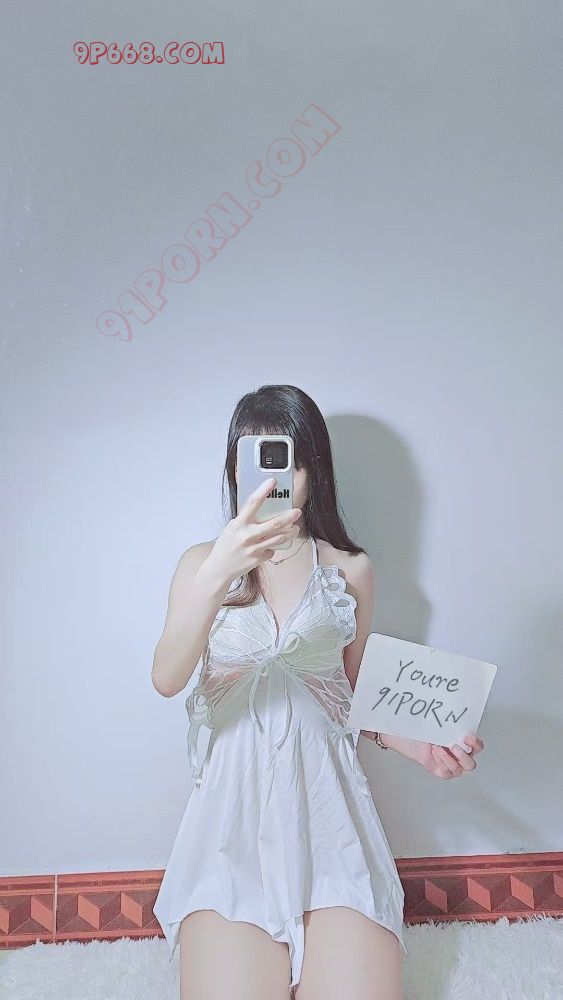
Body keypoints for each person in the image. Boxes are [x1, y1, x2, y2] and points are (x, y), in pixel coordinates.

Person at [152, 384, 484, 1000]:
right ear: (233, 468)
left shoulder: (349, 568)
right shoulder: (201, 564)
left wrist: (421, 743)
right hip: (231, 825)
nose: (268, 479)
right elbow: (167, 677)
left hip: (330, 816)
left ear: (313, 470)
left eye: (284, 460)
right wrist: (222, 568)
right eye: (250, 459)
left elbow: (353, 692)